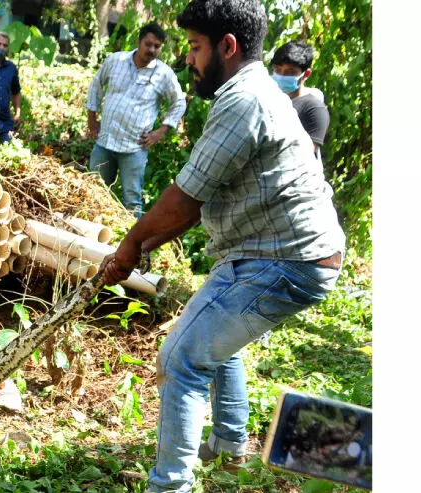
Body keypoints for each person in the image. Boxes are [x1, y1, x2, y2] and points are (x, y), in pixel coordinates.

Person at [97, 1, 346, 491]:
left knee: (180, 358)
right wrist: (141, 246)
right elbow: (193, 201)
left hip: (285, 259)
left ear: (227, 47)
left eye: (194, 47)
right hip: (279, 253)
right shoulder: (256, 92)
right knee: (214, 337)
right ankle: (230, 448)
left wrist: (129, 247)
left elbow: (186, 198)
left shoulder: (244, 99)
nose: (187, 58)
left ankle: (170, 486)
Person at [85, 23, 187, 218]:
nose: (151, 50)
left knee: (131, 201)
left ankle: (130, 246)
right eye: (148, 44)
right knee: (93, 192)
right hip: (105, 141)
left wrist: (161, 131)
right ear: (139, 42)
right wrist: (92, 118)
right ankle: (90, 236)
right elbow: (97, 83)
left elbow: (179, 102)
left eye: (157, 46)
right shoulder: (116, 60)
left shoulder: (164, 74)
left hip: (134, 148)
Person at [271, 41, 331, 159]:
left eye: (290, 72)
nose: (282, 76)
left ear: (306, 74)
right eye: (278, 70)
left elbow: (305, 155)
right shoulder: (269, 98)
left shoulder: (314, 109)